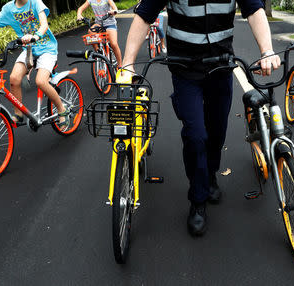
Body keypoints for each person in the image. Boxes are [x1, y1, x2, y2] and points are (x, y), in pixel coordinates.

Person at [119, 0, 280, 236]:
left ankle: (210, 175)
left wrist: (267, 50)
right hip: (185, 69)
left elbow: (254, 9)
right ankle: (197, 200)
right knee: (195, 136)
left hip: (221, 67)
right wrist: (127, 62)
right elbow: (145, 15)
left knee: (216, 133)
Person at [0, 0, 70, 129]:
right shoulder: (8, 8)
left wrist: (35, 36)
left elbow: (44, 25)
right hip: (28, 49)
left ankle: (62, 109)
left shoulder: (35, 3)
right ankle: (18, 114)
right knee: (14, 79)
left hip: (47, 48)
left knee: (41, 81)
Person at [77, 0, 123, 67]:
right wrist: (79, 14)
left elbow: (115, 8)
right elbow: (80, 8)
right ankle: (98, 53)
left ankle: (120, 65)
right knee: (90, 32)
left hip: (110, 24)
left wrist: (114, 11)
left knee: (113, 43)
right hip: (99, 24)